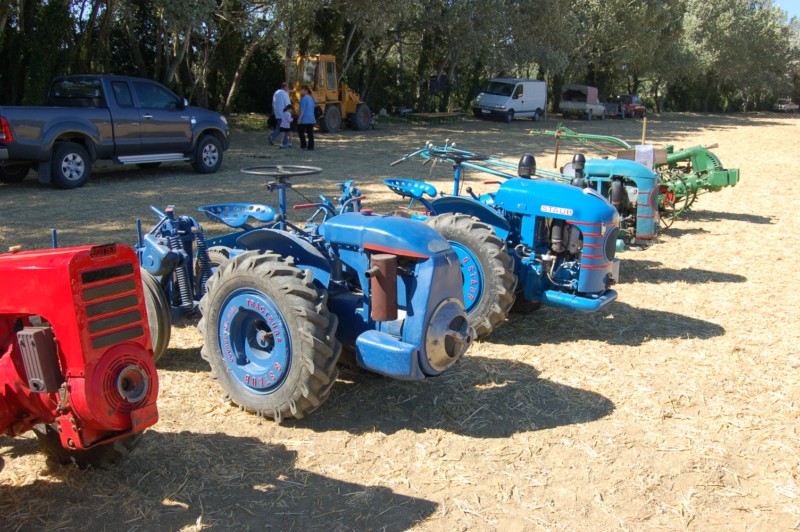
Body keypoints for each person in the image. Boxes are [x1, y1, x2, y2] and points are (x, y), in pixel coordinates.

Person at [296, 85, 316, 151]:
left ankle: (303, 146)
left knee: (301, 132)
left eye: (302, 90)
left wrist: (299, 118)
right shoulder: (312, 98)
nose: (301, 91)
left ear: (306, 90)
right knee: (310, 133)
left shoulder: (304, 99)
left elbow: (302, 110)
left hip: (304, 119)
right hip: (311, 119)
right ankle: (311, 146)